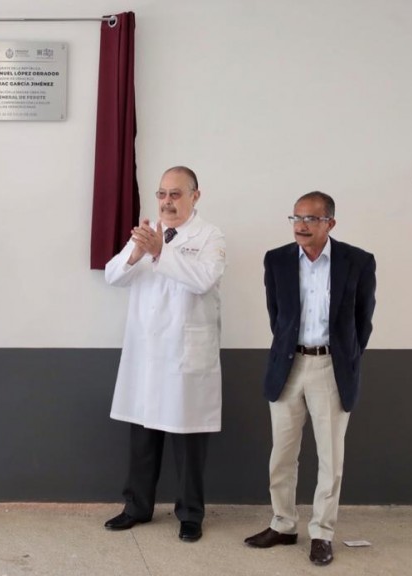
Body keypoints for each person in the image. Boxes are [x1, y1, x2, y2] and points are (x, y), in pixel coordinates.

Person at [244, 191, 376, 566]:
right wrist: (291, 349)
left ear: (330, 223)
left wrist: (344, 358)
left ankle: (322, 533)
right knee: (282, 454)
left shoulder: (358, 261)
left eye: (311, 219)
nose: (301, 225)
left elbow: (363, 320)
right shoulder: (277, 260)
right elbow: (277, 316)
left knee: (330, 458)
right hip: (288, 365)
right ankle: (283, 524)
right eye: (296, 218)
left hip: (331, 367)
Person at [103, 166, 226, 542]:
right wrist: (137, 252)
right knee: (142, 436)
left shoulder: (211, 236)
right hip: (147, 354)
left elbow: (203, 279)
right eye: (161, 194)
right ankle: (136, 507)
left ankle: (190, 515)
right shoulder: (148, 233)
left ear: (195, 196)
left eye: (175, 194)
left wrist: (161, 252)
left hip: (185, 356)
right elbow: (112, 276)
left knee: (188, 441)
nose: (167, 202)